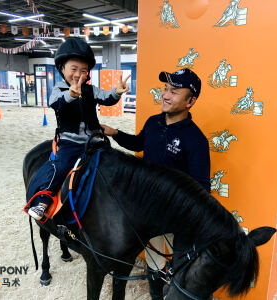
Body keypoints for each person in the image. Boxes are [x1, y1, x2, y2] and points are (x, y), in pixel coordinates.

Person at [101, 68, 210, 300]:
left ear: (190, 101)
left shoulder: (196, 140)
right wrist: (114, 132)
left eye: (175, 92)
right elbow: (138, 143)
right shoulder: (153, 122)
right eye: (165, 89)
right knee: (143, 257)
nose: (166, 95)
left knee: (165, 265)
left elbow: (202, 188)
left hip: (169, 216)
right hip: (142, 207)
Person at [27, 38, 130, 221]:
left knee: (115, 162)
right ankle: (43, 200)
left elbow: (107, 98)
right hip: (70, 142)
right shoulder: (58, 90)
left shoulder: (91, 90)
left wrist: (116, 92)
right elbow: (56, 104)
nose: (78, 74)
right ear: (62, 69)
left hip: (95, 140)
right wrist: (70, 95)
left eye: (83, 70)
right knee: (60, 167)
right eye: (73, 69)